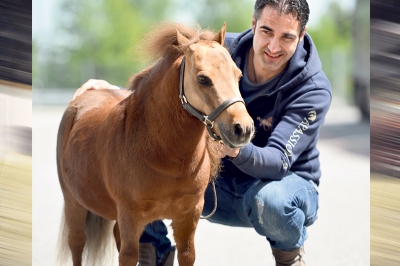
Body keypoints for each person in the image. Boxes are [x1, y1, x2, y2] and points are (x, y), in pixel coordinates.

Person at [73, 0, 331, 265]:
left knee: (274, 201)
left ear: (302, 35)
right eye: (267, 31)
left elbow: (278, 162)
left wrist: (235, 148)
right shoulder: (215, 51)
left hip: (271, 188)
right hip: (214, 183)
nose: (274, 47)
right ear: (253, 25)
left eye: (287, 37)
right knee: (146, 166)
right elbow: (163, 91)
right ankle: (155, 252)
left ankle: (289, 258)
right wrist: (113, 91)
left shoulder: (313, 89)